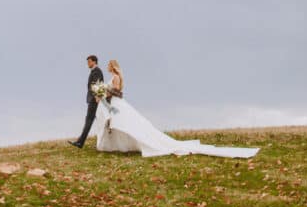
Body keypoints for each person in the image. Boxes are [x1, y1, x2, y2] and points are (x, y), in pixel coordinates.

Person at [95, 60, 260, 159]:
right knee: (117, 124)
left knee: (124, 123)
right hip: (114, 103)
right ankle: (120, 145)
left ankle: (133, 143)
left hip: (116, 102)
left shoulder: (116, 77)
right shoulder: (115, 77)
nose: (108, 67)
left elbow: (117, 91)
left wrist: (103, 92)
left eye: (109, 65)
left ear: (113, 67)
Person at [69, 54, 104, 148]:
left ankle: (80, 142)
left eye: (89, 62)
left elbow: (98, 85)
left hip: (94, 100)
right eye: (87, 62)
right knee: (93, 120)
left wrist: (97, 97)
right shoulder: (95, 71)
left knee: (89, 121)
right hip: (93, 99)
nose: (88, 64)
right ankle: (81, 142)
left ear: (94, 62)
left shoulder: (97, 71)